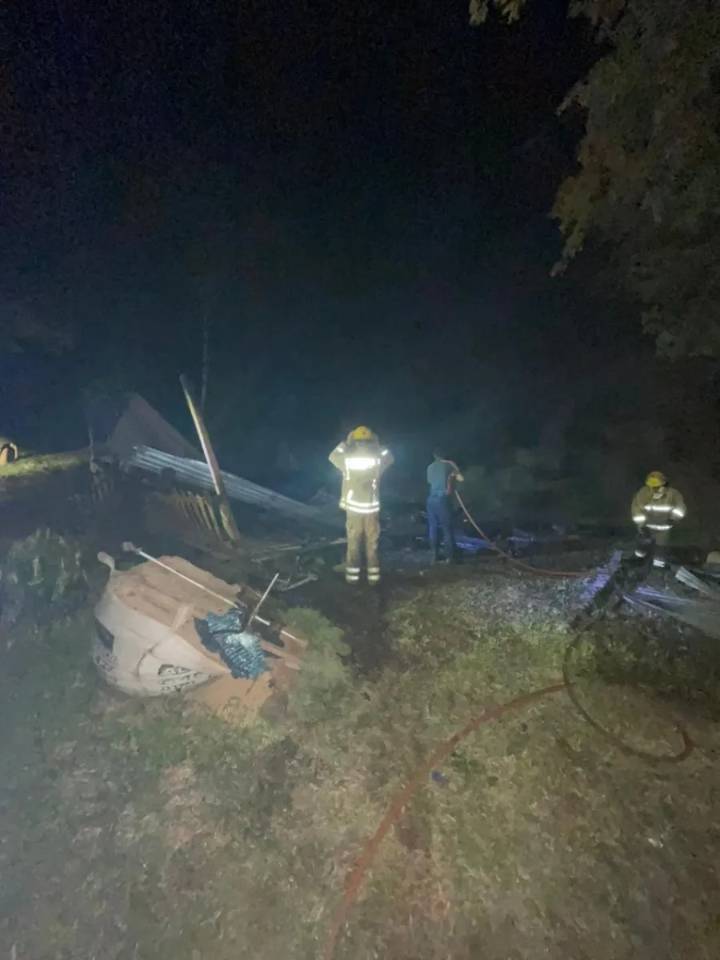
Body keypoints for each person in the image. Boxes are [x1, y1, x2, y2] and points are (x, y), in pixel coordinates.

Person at [329, 426, 394, 584]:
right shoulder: (377, 459)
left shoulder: (347, 459)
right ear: (371, 440)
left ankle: (352, 578)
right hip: (371, 508)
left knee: (354, 542)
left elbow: (332, 456)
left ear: (355, 441)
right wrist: (377, 444)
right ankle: (373, 578)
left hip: (354, 509)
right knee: (372, 543)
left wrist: (346, 442)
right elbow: (390, 456)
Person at [631, 470, 686, 569]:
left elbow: (680, 508)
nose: (654, 489)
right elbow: (636, 510)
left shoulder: (673, 494)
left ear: (664, 484)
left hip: (663, 529)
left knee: (660, 550)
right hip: (646, 527)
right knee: (641, 548)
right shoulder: (643, 493)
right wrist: (642, 526)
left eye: (656, 487)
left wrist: (673, 519)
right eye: (651, 487)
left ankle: (658, 568)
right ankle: (638, 562)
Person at [426, 450, 464, 563]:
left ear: (434, 455)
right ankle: (450, 557)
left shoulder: (429, 467)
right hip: (442, 499)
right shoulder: (449, 464)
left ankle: (434, 556)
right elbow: (461, 479)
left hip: (431, 499)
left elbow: (430, 482)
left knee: (433, 527)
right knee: (446, 527)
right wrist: (454, 471)